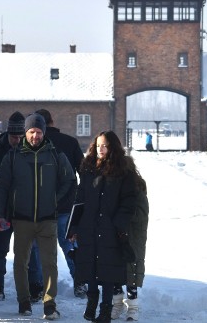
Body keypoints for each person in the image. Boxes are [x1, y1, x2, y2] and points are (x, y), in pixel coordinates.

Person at [0, 113, 75, 320]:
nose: (35, 136)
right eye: (31, 132)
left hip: (48, 219)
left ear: (44, 132)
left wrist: (56, 200)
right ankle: (24, 301)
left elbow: (70, 180)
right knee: (21, 262)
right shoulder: (13, 156)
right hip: (22, 219)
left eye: (38, 132)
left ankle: (49, 304)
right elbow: (1, 186)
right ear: (25, 133)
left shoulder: (55, 154)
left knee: (49, 263)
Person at [69, 130, 139, 323]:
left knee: (108, 271)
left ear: (113, 147)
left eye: (105, 145)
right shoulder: (88, 168)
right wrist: (74, 226)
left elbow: (129, 201)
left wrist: (118, 224)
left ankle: (105, 311)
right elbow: (80, 199)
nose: (101, 148)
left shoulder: (123, 172)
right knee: (90, 266)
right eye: (98, 145)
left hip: (111, 229)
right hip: (89, 227)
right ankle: (91, 304)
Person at [0, 111, 43, 302]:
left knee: (30, 250)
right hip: (3, 209)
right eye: (14, 137)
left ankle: (35, 287)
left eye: (19, 136)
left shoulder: (30, 151)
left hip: (24, 209)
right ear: (8, 134)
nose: (17, 140)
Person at [34, 109, 86, 298]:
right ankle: (80, 282)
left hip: (40, 206)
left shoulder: (35, 144)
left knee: (39, 247)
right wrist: (79, 198)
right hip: (67, 205)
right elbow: (84, 172)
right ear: (52, 120)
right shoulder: (70, 142)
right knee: (70, 245)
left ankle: (39, 284)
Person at [111, 178, 149, 321]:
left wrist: (123, 213)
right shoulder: (113, 188)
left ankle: (132, 307)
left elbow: (141, 216)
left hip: (133, 238)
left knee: (131, 273)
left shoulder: (137, 190)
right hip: (116, 235)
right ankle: (117, 304)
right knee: (114, 271)